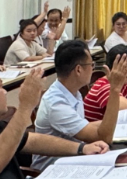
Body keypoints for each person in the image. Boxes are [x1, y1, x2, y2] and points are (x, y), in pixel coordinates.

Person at [33, 41, 116, 170]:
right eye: (91, 65)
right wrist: (115, 89)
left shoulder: (73, 91)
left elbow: (85, 125)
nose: (93, 69)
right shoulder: (55, 103)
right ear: (78, 69)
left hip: (74, 159)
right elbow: (103, 137)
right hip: (52, 171)